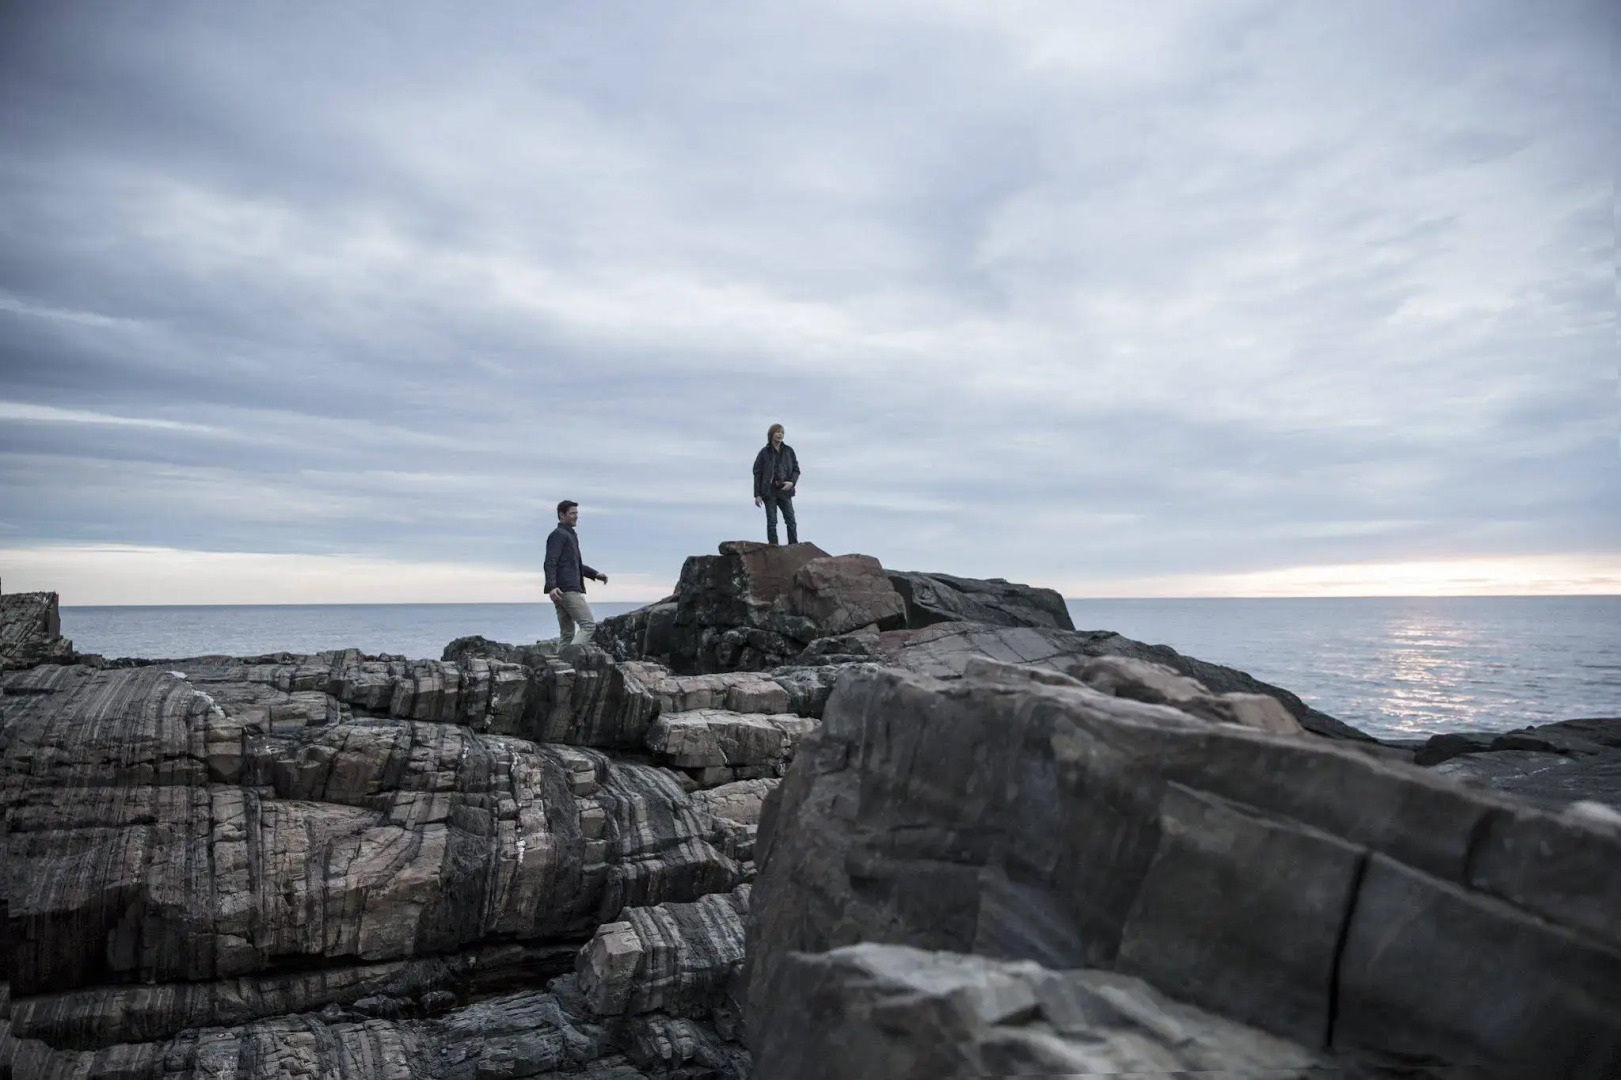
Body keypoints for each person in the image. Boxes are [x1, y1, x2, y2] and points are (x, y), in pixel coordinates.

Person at [544, 500, 608, 646]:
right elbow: (550, 562)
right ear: (562, 515)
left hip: (562, 590)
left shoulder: (569, 535)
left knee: (567, 634)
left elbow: (574, 565)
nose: (576, 516)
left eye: (576, 513)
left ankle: (564, 664)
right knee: (588, 625)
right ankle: (573, 657)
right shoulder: (558, 535)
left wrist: (595, 574)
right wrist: (552, 586)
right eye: (572, 513)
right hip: (567, 590)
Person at [752, 423, 801, 545]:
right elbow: (757, 474)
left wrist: (792, 483)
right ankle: (773, 546)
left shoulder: (789, 451)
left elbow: (796, 469)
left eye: (782, 432)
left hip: (785, 490)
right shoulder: (764, 453)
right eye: (778, 432)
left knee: (791, 520)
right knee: (772, 521)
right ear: (771, 434)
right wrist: (757, 495)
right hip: (769, 491)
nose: (780, 434)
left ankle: (793, 545)